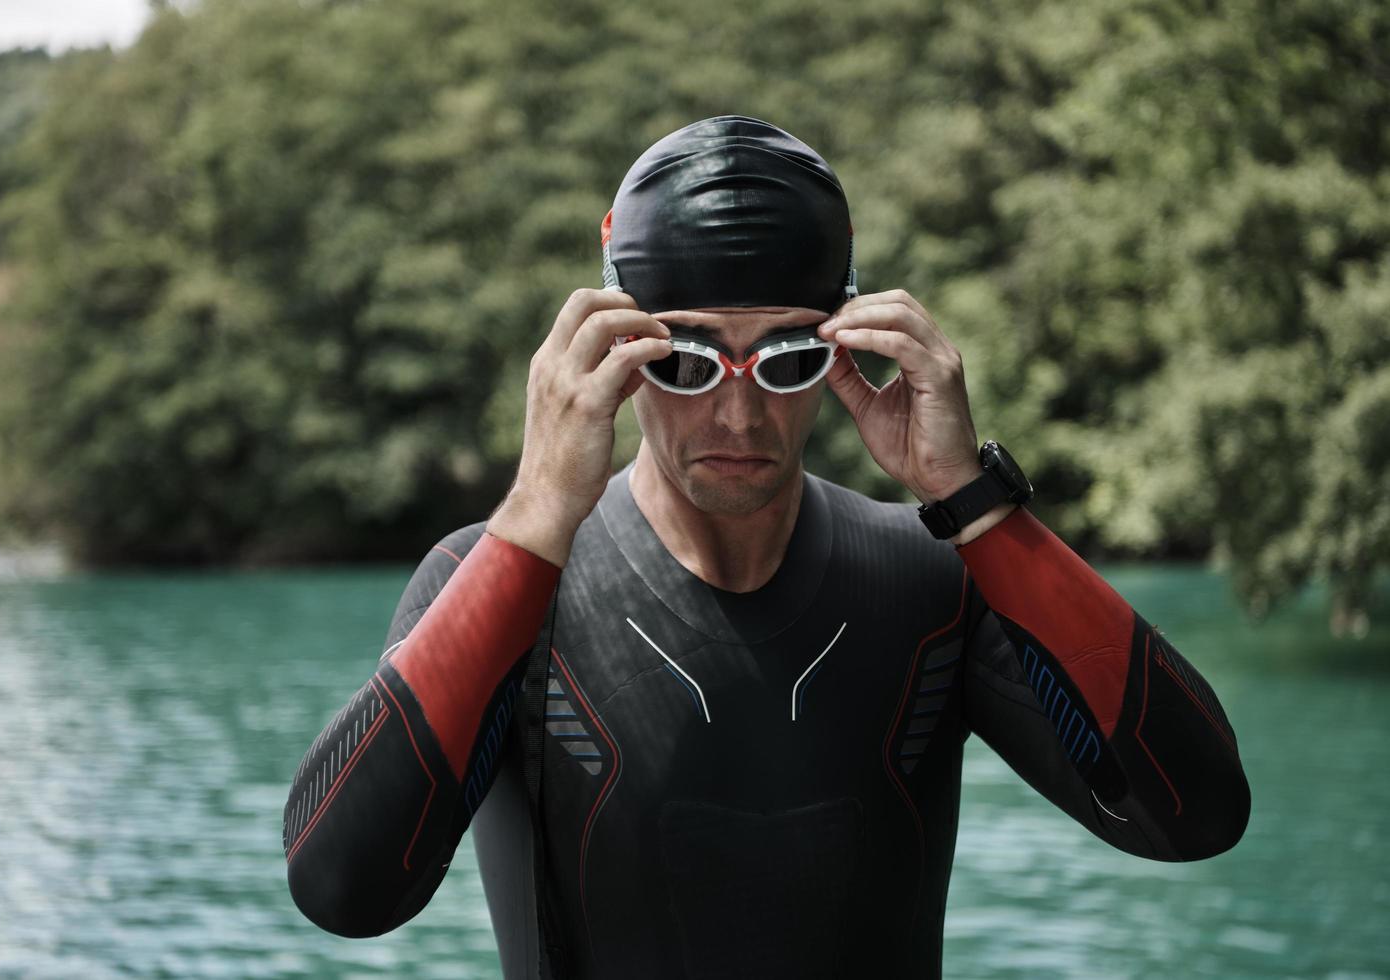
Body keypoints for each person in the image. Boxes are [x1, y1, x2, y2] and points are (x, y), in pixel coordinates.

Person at [282, 115, 1250, 979]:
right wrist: (534, 516)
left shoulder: (928, 582)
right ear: (616, 351)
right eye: (687, 358)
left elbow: (1195, 813)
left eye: (788, 357)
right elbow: (342, 888)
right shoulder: (496, 588)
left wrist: (977, 504)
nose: (737, 411)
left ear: (845, 345)